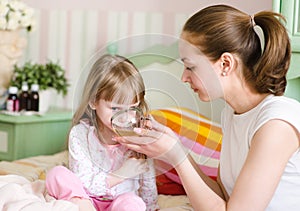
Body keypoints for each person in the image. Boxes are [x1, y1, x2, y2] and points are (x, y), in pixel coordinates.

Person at [116, 4, 300, 211]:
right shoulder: (231, 113)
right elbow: (221, 194)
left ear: (225, 64)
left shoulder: (276, 124)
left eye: (191, 67)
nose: (184, 77)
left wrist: (177, 156)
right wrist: (176, 149)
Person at [45, 54, 159, 211]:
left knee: (134, 203)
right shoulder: (80, 135)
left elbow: (147, 178)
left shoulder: (139, 135)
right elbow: (82, 182)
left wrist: (152, 207)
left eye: (132, 108)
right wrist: (120, 175)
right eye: (115, 109)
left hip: (120, 201)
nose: (125, 117)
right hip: (85, 198)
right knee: (56, 174)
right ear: (93, 101)